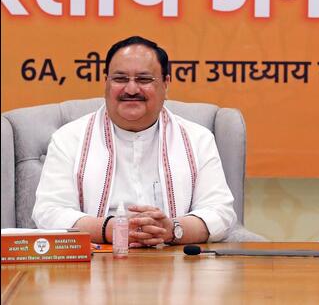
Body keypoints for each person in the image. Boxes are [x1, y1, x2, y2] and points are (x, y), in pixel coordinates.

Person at [32, 36, 236, 246]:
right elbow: (48, 212)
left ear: (166, 84)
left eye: (144, 79)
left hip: (173, 260)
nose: (131, 89)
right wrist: (111, 229)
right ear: (106, 83)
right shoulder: (69, 139)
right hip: (96, 263)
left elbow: (220, 212)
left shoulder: (198, 139)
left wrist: (172, 230)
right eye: (120, 79)